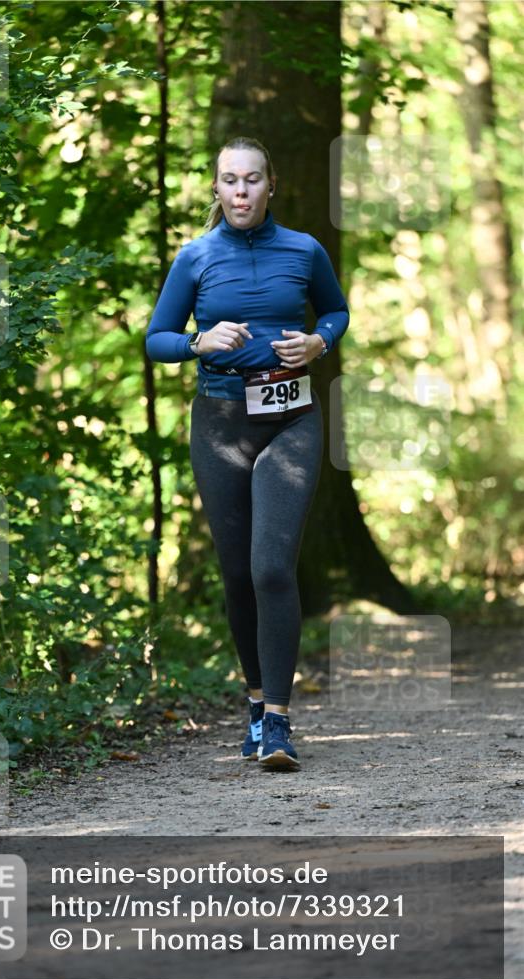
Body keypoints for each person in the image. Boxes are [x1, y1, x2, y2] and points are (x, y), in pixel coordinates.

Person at [145, 136, 349, 771]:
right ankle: (257, 705)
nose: (240, 191)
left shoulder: (304, 250)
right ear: (216, 188)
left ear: (271, 185)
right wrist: (198, 343)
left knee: (271, 569)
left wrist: (319, 342)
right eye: (229, 180)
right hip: (220, 422)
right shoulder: (196, 257)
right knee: (237, 573)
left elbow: (337, 312)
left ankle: (281, 724)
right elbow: (156, 339)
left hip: (292, 420)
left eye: (252, 179)